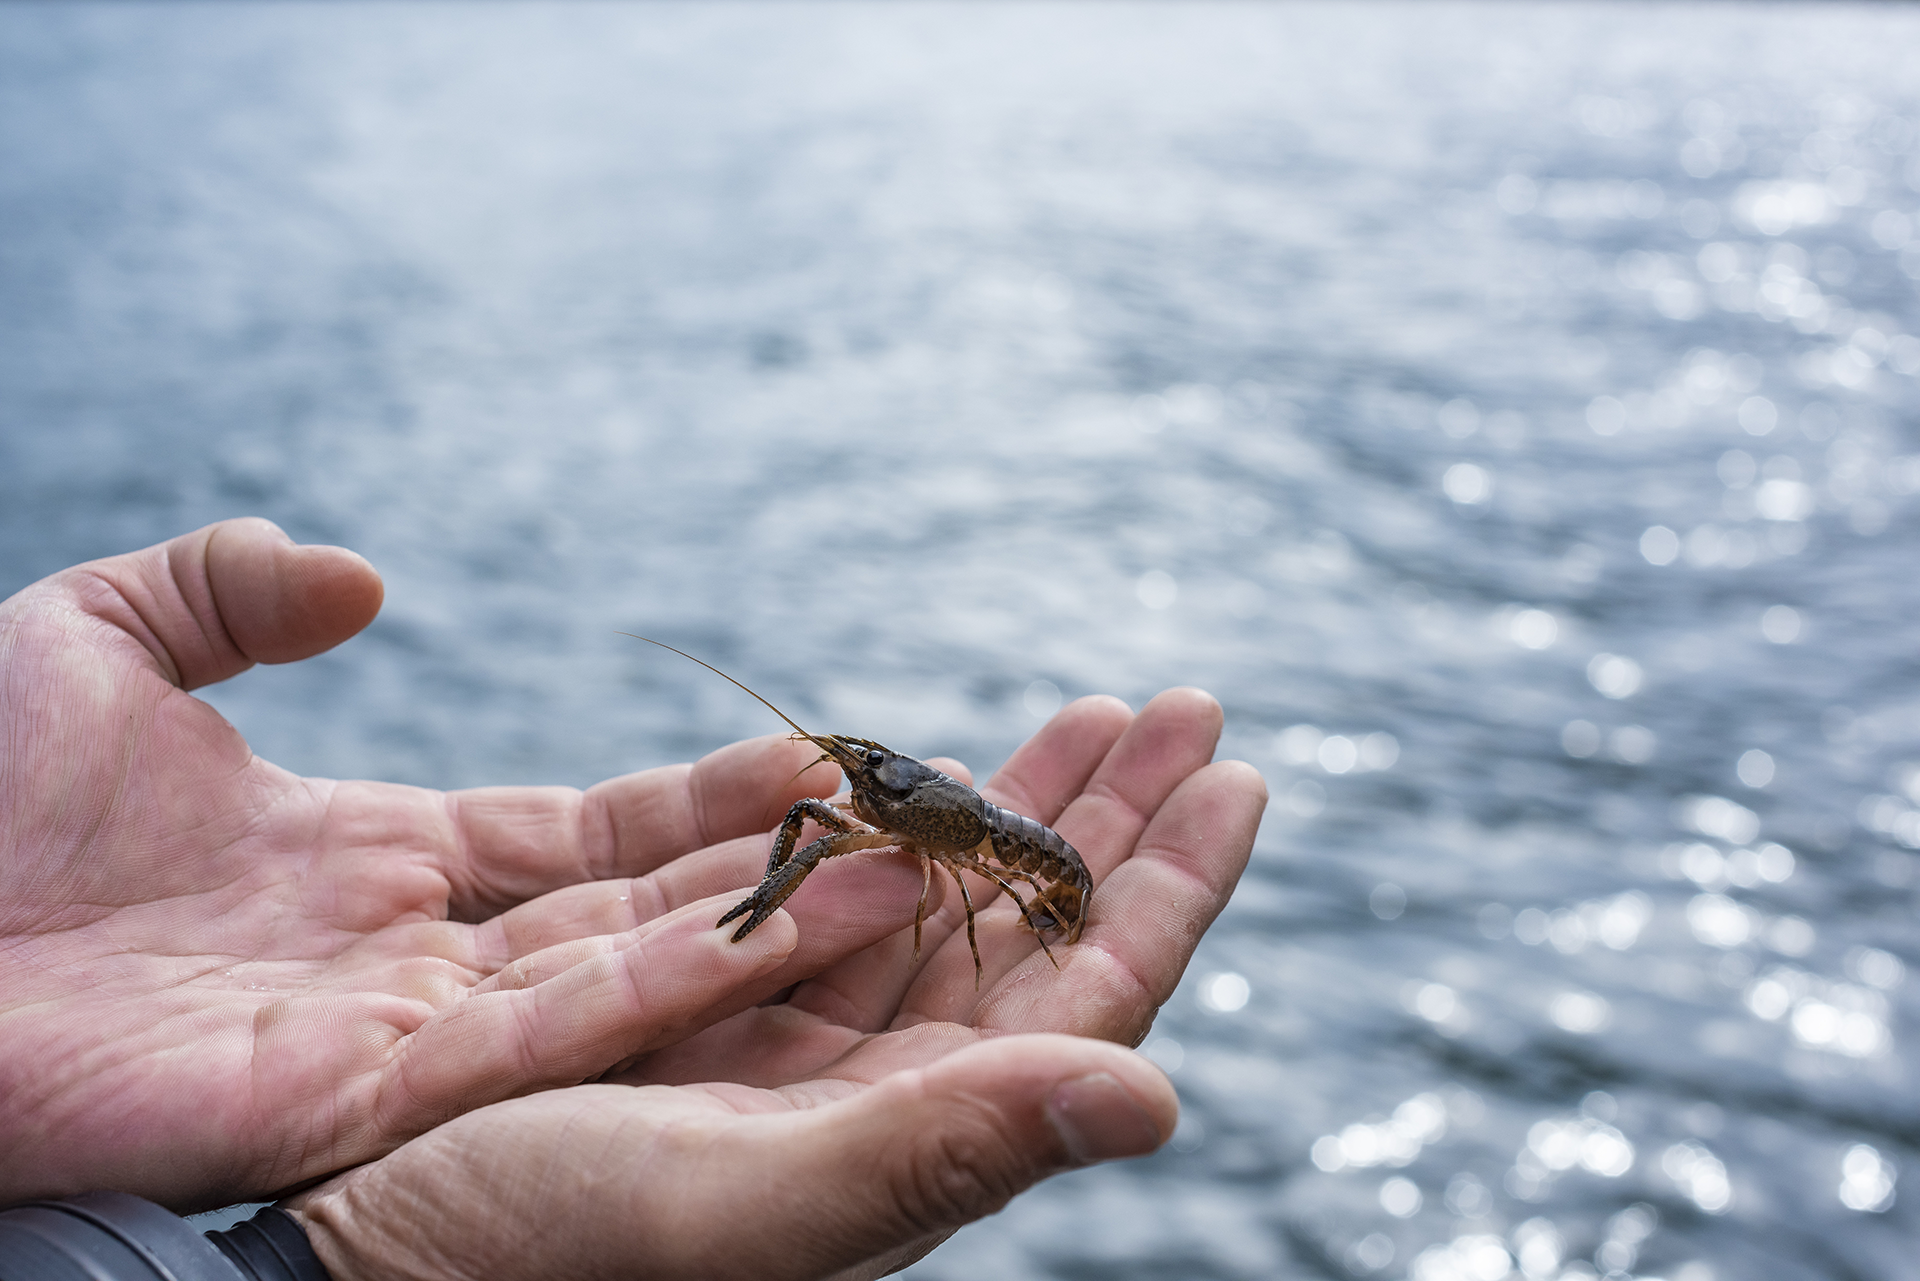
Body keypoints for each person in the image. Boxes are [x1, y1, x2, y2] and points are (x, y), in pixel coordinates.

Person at [0, 519, 1266, 1280]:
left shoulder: (969, 844)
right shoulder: (864, 803)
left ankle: (1048, 906)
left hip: (1022, 855)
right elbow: (826, 822)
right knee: (812, 835)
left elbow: (941, 891)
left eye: (868, 770)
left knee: (925, 903)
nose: (851, 776)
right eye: (861, 769)